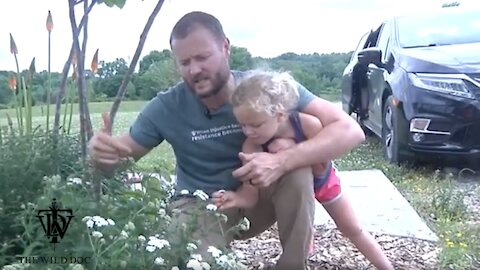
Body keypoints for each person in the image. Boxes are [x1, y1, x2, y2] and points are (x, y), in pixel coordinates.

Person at [87, 11, 365, 270]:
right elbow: (121, 159)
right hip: (202, 206)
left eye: (202, 57)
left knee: (297, 170)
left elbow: (350, 131)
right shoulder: (166, 107)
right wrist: (103, 156)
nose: (194, 69)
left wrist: (281, 161)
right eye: (185, 62)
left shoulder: (261, 92)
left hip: (258, 199)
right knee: (194, 261)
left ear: (225, 47)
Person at [212, 71, 394, 270]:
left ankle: (386, 267)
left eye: (255, 124)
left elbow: (321, 165)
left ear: (280, 115)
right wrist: (237, 198)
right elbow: (251, 193)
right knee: (299, 213)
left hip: (323, 182)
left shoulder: (307, 124)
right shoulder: (251, 145)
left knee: (352, 228)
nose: (248, 131)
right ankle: (302, 248)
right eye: (243, 125)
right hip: (290, 191)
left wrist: (289, 151)